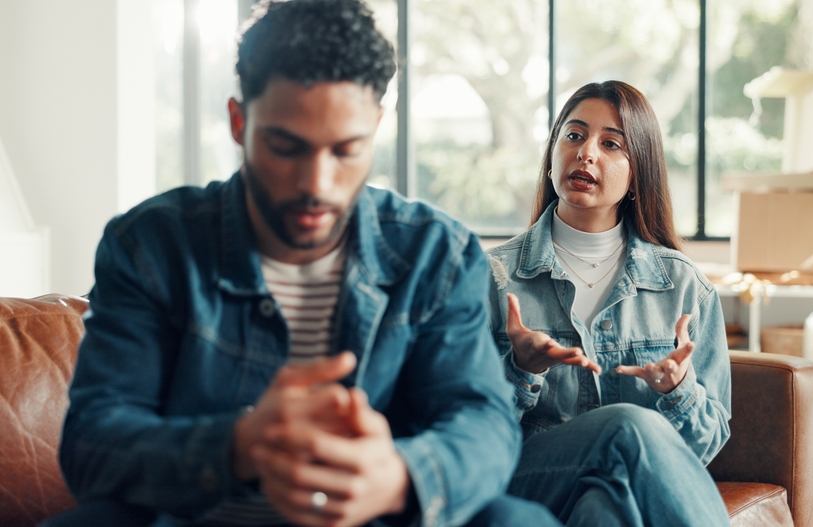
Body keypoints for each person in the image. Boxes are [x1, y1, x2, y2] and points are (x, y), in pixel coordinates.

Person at [49, 1, 561, 526]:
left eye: (346, 150)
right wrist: (240, 444)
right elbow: (93, 442)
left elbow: (482, 422)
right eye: (285, 147)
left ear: (376, 128)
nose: (317, 184)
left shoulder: (436, 253)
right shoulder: (150, 245)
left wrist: (399, 477)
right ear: (238, 121)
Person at [485, 80, 732, 527]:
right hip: (524, 478)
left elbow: (705, 445)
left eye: (611, 143)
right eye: (574, 135)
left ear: (638, 173)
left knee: (605, 508)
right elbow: (465, 428)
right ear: (552, 154)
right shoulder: (491, 278)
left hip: (619, 485)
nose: (586, 153)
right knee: (625, 427)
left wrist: (678, 393)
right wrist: (520, 370)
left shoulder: (684, 286)